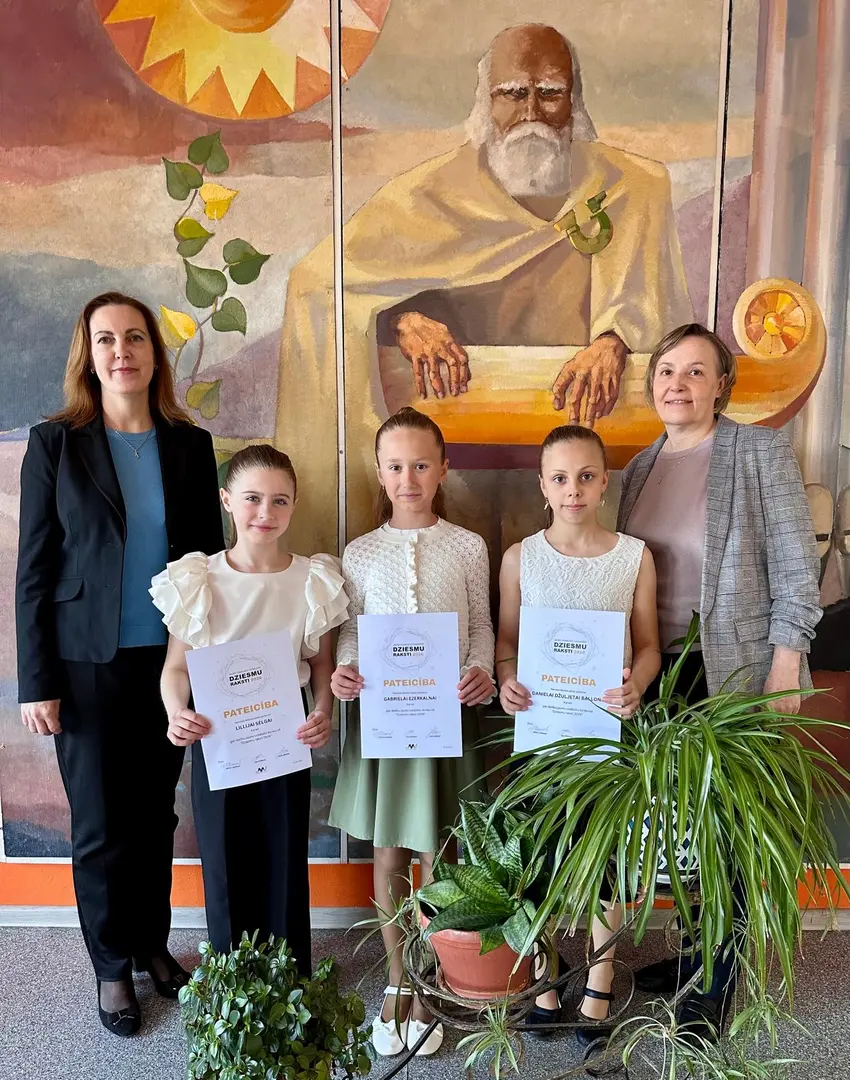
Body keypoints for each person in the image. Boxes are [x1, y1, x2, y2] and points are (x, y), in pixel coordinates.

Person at [277, 22, 693, 557]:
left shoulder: (630, 187)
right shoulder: (429, 193)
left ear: (575, 101)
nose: (531, 113)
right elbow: (320, 284)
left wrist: (615, 341)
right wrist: (402, 320)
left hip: (579, 449)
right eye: (512, 94)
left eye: (550, 93)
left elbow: (659, 313)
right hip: (454, 455)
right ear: (484, 102)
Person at [15, 291, 224, 1036]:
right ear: (89, 354)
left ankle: (150, 945)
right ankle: (111, 967)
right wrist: (36, 681)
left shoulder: (189, 446)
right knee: (102, 823)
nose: (121, 351)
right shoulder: (56, 443)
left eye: (134, 337)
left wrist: (212, 666)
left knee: (153, 815)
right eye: (105, 339)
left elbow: (207, 567)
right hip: (84, 665)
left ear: (152, 354)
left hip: (169, 662)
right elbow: (34, 570)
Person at [618, 322, 822, 1039]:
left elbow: (797, 564)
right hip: (658, 670)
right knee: (679, 821)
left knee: (725, 826)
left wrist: (787, 660)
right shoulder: (638, 468)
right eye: (666, 371)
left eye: (696, 371)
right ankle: (691, 953)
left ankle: (716, 981)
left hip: (732, 669)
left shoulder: (758, 451)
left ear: (721, 386)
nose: (678, 384)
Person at [328, 406, 495, 1058]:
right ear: (379, 471)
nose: (408, 478)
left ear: (443, 469)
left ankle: (434, 974)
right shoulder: (360, 552)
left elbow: (481, 625)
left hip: (447, 718)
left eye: (421, 464)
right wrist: (345, 670)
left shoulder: (467, 546)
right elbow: (350, 630)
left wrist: (480, 669)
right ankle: (399, 981)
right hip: (386, 723)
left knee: (439, 853)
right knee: (389, 853)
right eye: (396, 466)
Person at [152, 445, 348, 976]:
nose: (265, 512)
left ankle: (289, 981)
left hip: (285, 739)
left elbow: (322, 665)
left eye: (279, 500)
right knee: (223, 861)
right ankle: (231, 983)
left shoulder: (312, 580)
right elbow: (175, 669)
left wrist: (323, 711)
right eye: (252, 498)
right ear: (226, 501)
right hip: (218, 740)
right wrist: (175, 711)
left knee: (283, 857)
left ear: (294, 505)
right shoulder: (199, 580)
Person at [496, 424, 659, 1047]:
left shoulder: (634, 556)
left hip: (606, 735)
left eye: (586, 477)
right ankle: (543, 975)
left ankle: (599, 980)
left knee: (605, 861)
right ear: (542, 485)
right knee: (534, 856)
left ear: (604, 482)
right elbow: (506, 644)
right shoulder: (520, 558)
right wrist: (507, 681)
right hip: (541, 737)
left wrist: (636, 684)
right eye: (560, 478)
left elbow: (649, 646)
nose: (573, 490)